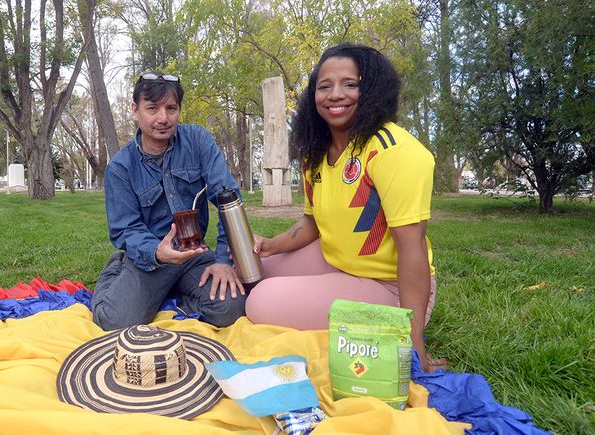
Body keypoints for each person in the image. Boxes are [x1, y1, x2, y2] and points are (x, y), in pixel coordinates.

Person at [245, 43, 445, 372]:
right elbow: (311, 224)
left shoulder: (395, 151)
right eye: (325, 86)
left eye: (349, 84)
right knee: (254, 270)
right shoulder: (315, 154)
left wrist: (414, 343)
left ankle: (395, 326)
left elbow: (413, 249)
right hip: (340, 262)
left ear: (371, 90)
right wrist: (271, 245)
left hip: (392, 289)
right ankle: (326, 287)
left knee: (259, 301)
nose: (335, 94)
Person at [92, 71, 247, 331]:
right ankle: (118, 269)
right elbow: (124, 228)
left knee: (232, 308)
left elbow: (228, 198)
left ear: (179, 110)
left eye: (171, 108)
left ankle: (179, 293)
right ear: (135, 110)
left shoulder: (198, 141)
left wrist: (222, 260)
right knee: (114, 321)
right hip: (150, 259)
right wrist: (157, 253)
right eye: (152, 108)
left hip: (194, 255)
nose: (163, 118)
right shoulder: (121, 167)